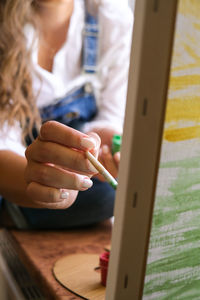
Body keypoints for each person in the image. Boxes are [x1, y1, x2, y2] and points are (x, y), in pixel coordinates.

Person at [0, 0, 133, 229]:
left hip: (72, 171)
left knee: (119, 192)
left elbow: (111, 113)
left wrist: (103, 143)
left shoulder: (110, 17)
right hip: (15, 173)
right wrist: (39, 179)